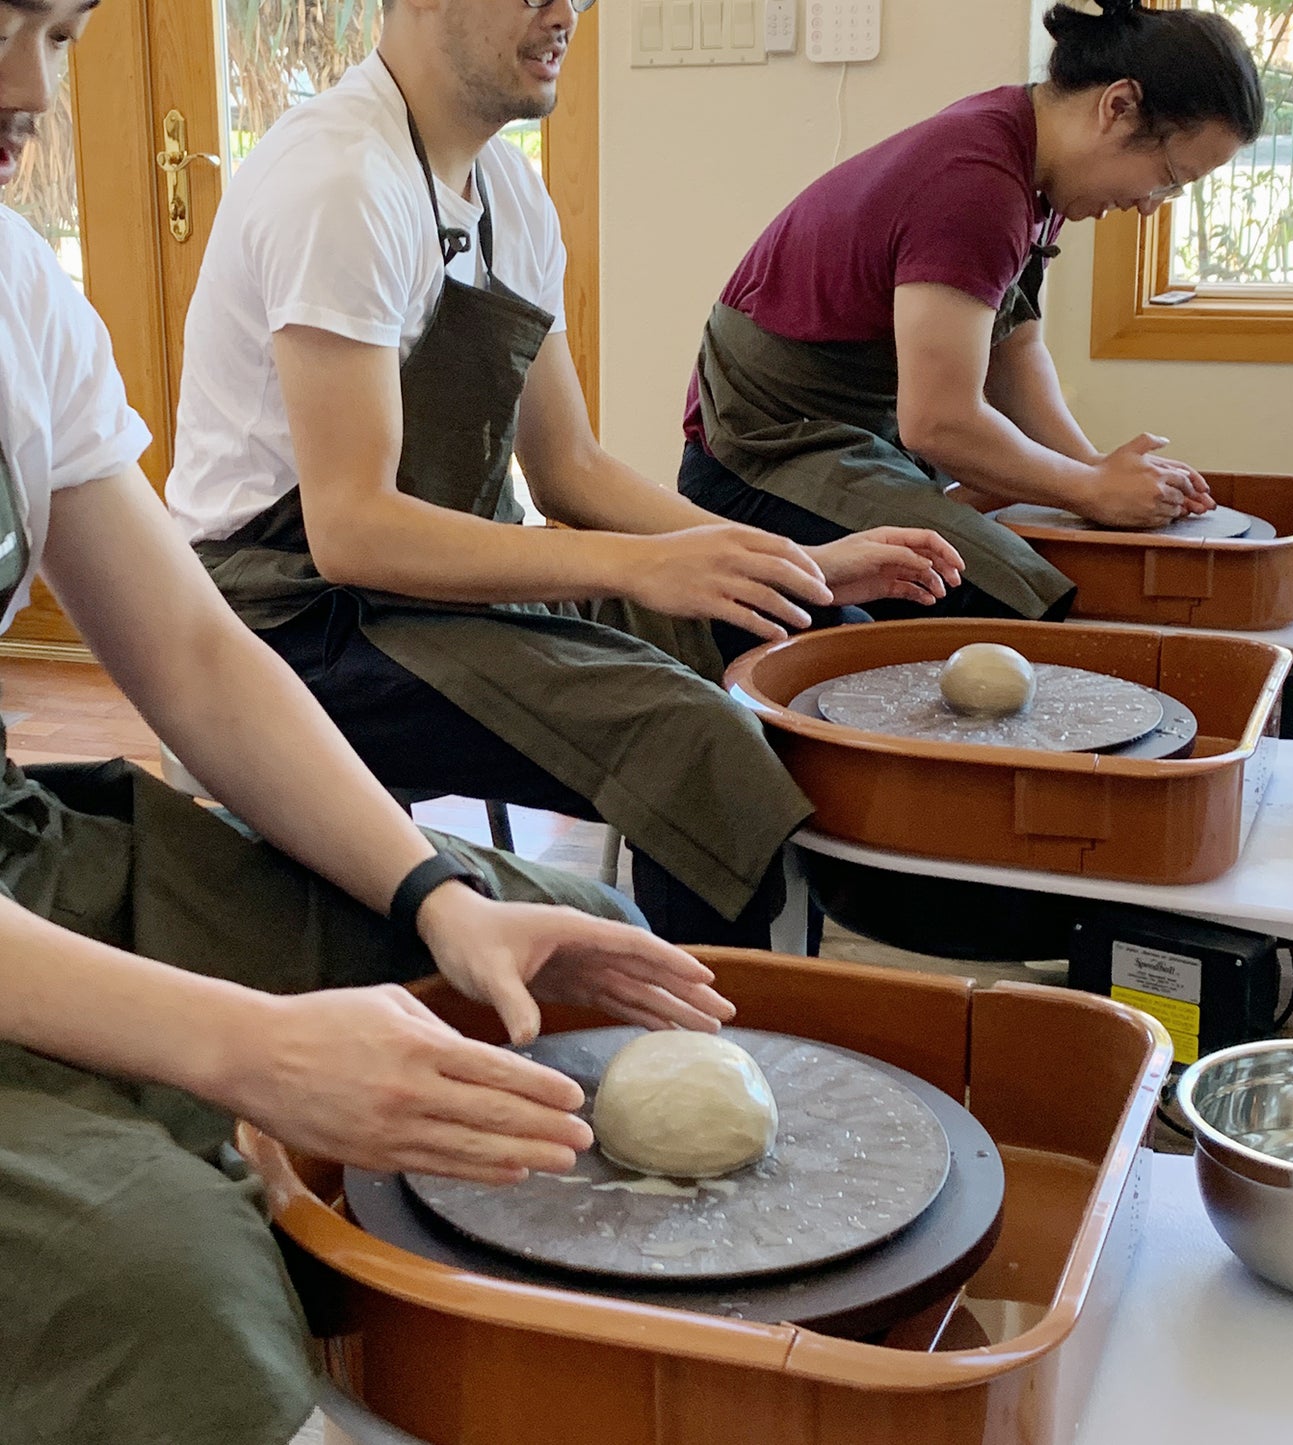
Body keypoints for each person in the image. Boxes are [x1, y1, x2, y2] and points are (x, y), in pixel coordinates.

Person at [0, 4, 739, 1441]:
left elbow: (199, 662)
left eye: (62, 31)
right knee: (161, 1282)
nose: (30, 84)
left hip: (28, 857)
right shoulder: (338, 177)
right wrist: (247, 1050)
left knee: (556, 964)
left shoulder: (22, 291)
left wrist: (440, 893)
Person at [165, 0, 965, 951]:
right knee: (689, 738)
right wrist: (628, 567)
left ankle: (832, 972)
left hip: (433, 579)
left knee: (802, 619)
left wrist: (797, 559)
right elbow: (351, 529)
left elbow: (570, 470)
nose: (567, 13)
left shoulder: (506, 189)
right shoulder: (339, 181)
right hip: (292, 614)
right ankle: (703, 1068)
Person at [678, 0, 1263, 622]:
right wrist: (1086, 487)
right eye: (1168, 176)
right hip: (762, 459)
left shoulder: (1029, 157)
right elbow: (939, 424)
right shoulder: (976, 183)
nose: (1152, 206)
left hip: (849, 437)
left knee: (1040, 545)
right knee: (1011, 597)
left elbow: (1015, 353)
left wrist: (1092, 471)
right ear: (1116, 107)